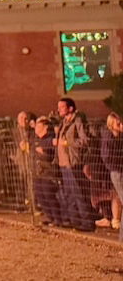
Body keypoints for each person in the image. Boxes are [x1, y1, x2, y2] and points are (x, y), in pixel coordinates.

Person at [54, 97, 96, 232]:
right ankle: (74, 220)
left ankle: (87, 222)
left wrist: (68, 143)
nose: (59, 109)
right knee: (69, 194)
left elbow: (85, 140)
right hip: (63, 163)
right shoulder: (64, 123)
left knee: (78, 193)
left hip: (73, 162)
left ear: (70, 108)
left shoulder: (78, 121)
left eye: (62, 107)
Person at [31, 116, 66, 226]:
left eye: (38, 126)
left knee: (49, 194)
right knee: (40, 195)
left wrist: (42, 151)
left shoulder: (51, 139)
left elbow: (50, 155)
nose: (36, 128)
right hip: (38, 172)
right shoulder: (37, 140)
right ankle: (50, 216)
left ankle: (57, 218)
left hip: (48, 172)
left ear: (45, 127)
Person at [100, 112, 123, 239]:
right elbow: (107, 157)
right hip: (117, 171)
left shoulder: (119, 137)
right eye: (118, 123)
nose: (120, 125)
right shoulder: (109, 138)